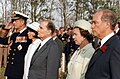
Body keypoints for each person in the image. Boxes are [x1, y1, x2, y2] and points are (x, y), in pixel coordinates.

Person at [85, 9, 120, 79]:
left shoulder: (116, 47)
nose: (92, 26)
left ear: (107, 24)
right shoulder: (102, 44)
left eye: (95, 23)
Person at [0, 11, 32, 79]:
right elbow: (3, 41)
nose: (13, 23)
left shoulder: (28, 34)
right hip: (11, 71)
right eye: (13, 21)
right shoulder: (15, 35)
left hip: (20, 71)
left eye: (15, 21)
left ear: (22, 22)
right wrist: (5, 30)